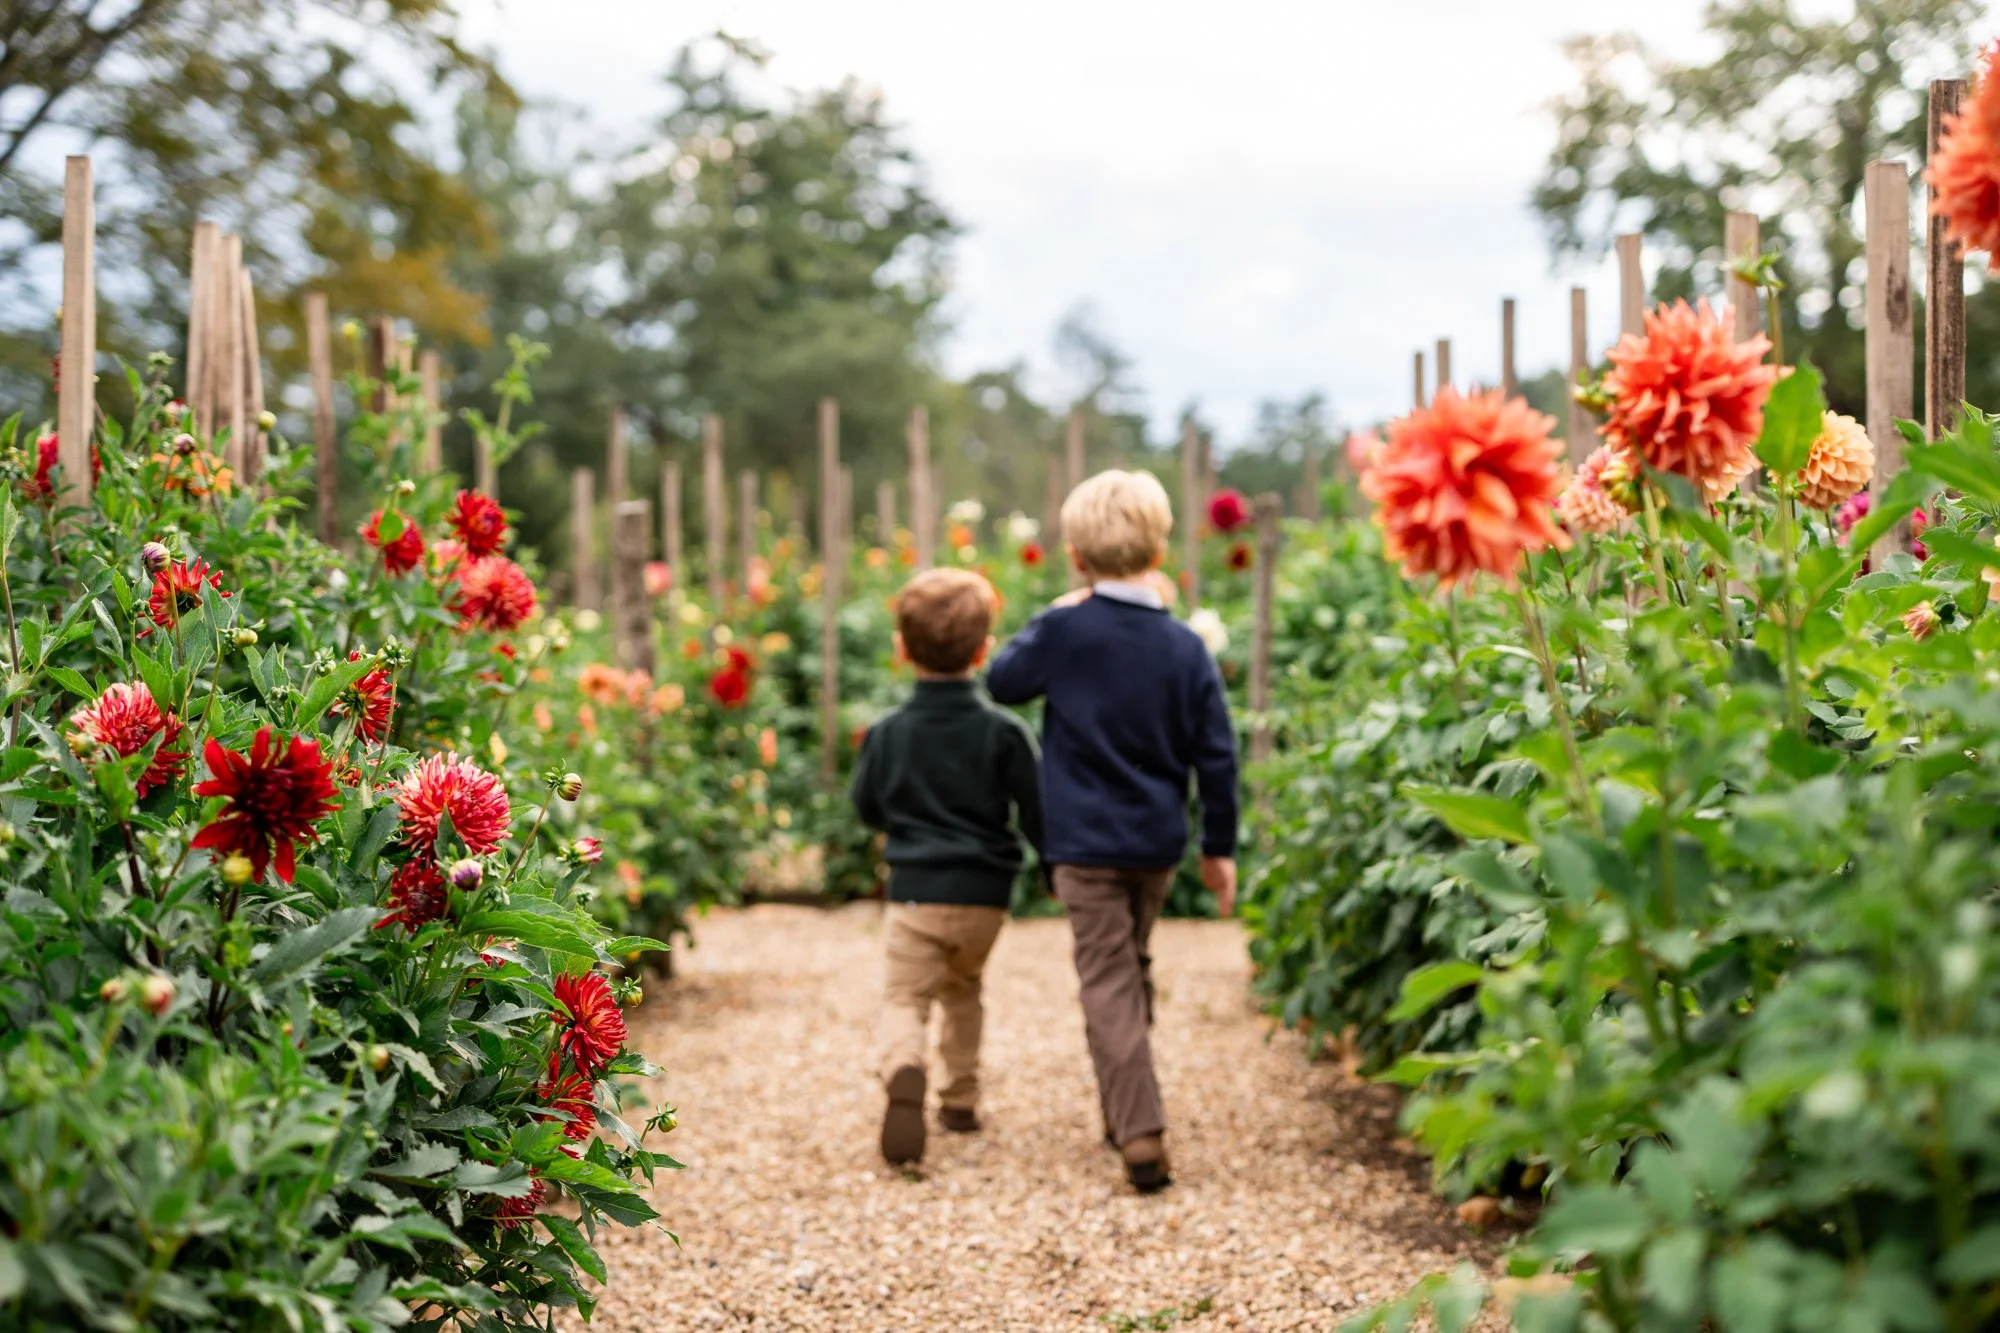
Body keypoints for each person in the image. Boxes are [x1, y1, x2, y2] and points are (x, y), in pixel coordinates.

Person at [985, 469, 1239, 1194]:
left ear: (1075, 555)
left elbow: (1003, 680)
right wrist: (1217, 847)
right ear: (1159, 549)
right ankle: (1125, 1104)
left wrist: (1056, 612)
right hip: (1154, 842)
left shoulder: (1065, 630)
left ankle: (1139, 1130)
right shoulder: (1185, 646)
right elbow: (1217, 754)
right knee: (1131, 963)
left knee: (1108, 978)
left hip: (1083, 843)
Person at [851, 567, 1044, 1167]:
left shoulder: (888, 733)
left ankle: (906, 1064)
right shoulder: (1006, 732)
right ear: (985, 650)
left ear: (902, 649)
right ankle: (958, 1098)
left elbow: (865, 805)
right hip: (986, 899)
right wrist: (1053, 869)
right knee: (965, 989)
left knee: (906, 998)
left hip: (917, 895)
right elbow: (1038, 811)